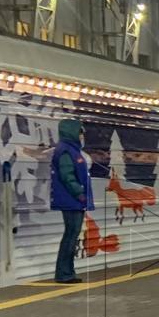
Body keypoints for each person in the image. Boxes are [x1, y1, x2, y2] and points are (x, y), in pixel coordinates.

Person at [50, 118, 94, 284]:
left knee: (72, 235)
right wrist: (80, 193)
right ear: (73, 132)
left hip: (73, 200)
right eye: (80, 132)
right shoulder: (66, 151)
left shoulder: (71, 150)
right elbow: (67, 176)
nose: (82, 136)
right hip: (72, 201)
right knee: (70, 235)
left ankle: (68, 272)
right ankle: (64, 273)